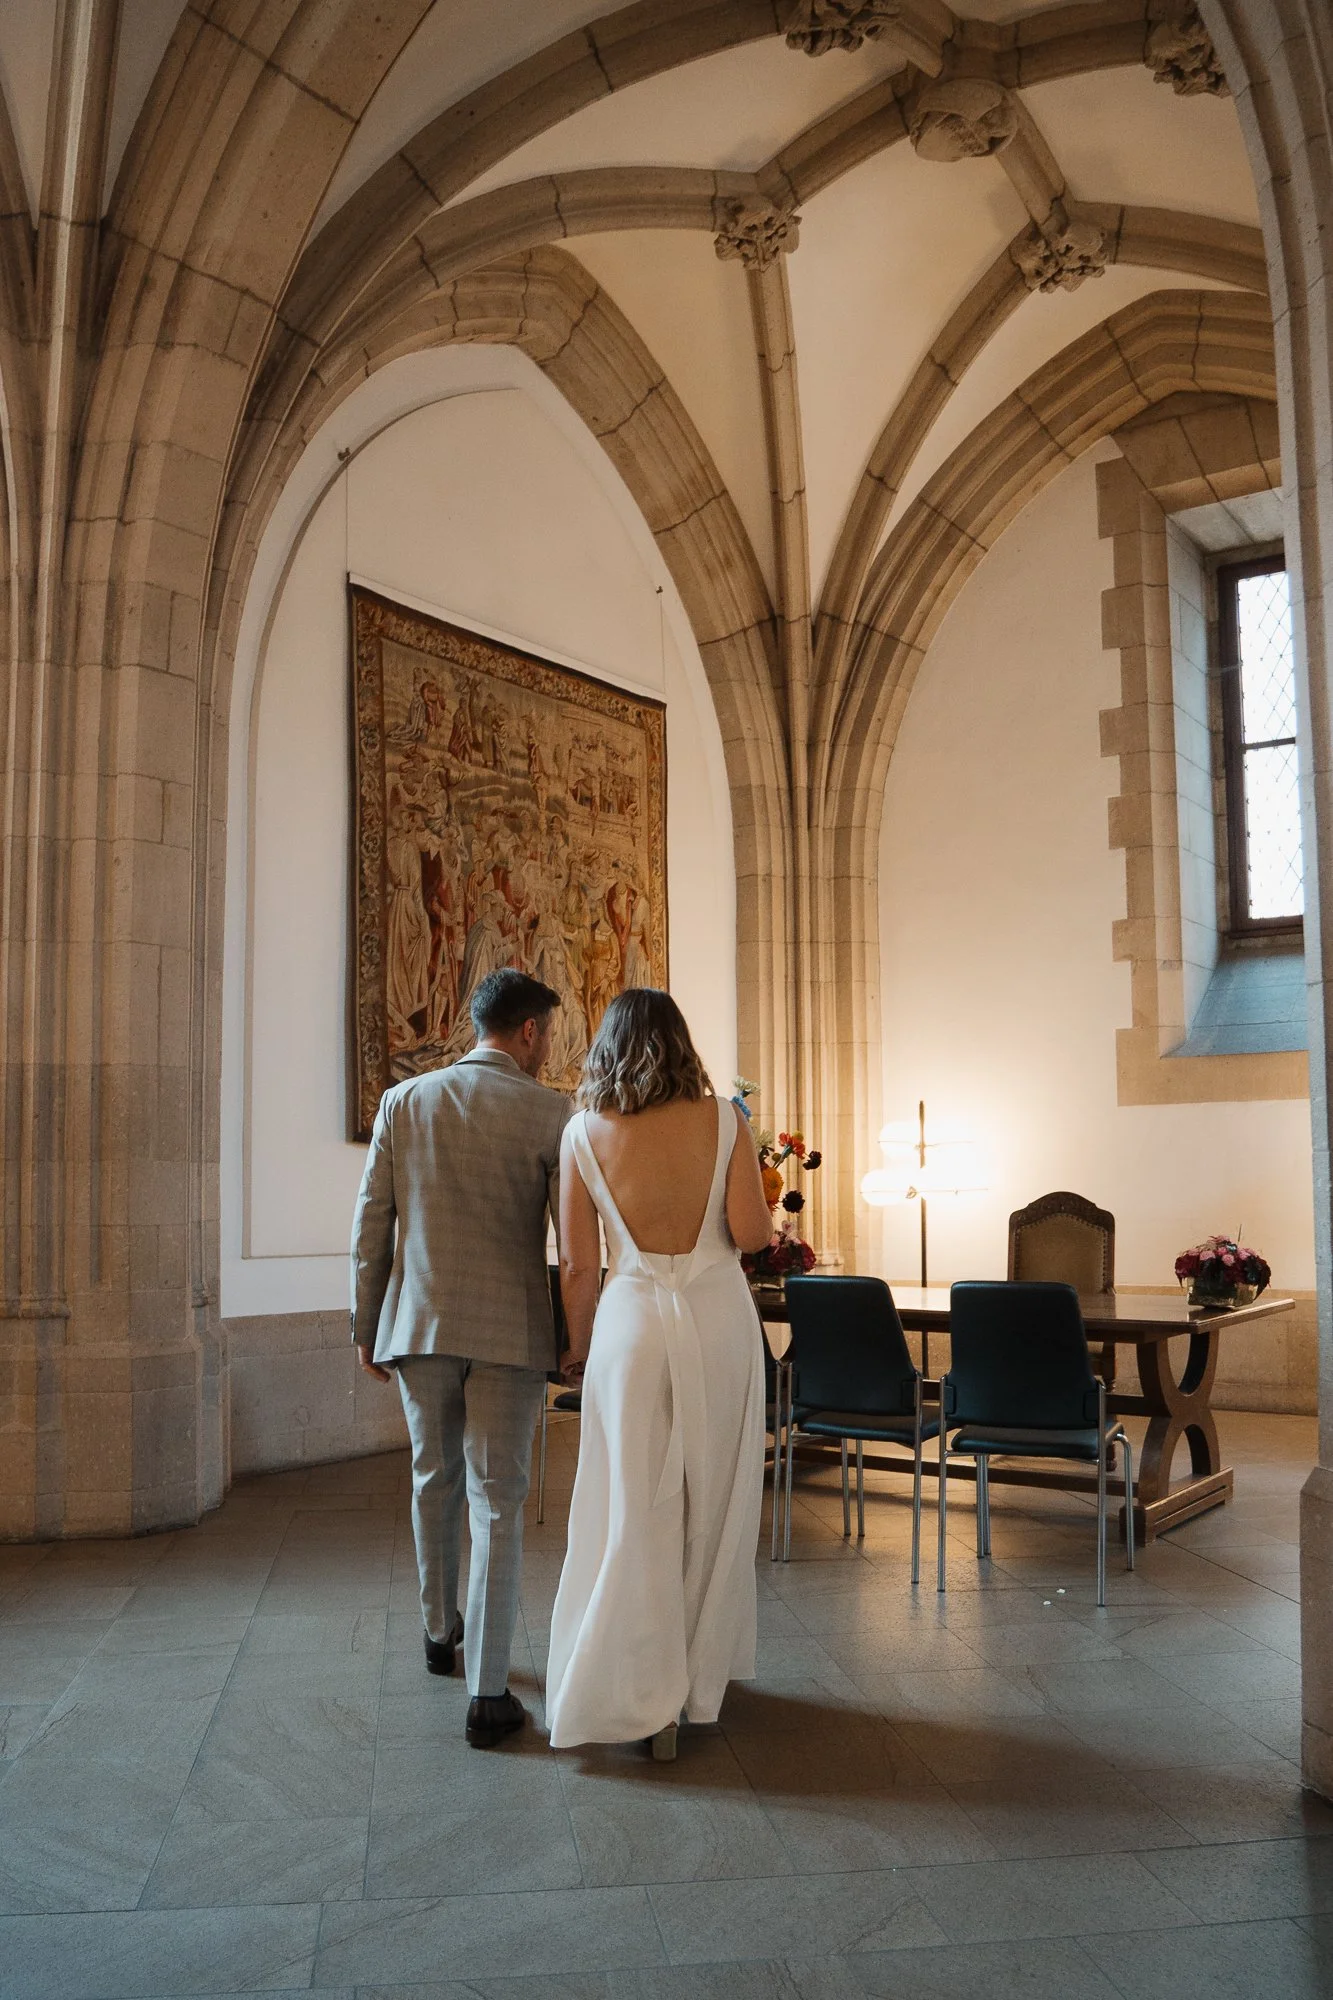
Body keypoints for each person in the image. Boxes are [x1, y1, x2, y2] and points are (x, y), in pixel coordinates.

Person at [545, 988, 774, 1760]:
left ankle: (638, 1692)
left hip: (630, 1325)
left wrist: (577, 1351)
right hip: (716, 1318)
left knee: (628, 1506)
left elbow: (579, 1264)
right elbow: (751, 1233)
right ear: (680, 1042)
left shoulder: (582, 1134)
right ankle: (698, 1684)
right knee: (715, 1499)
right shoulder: (724, 1120)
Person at [350, 967, 570, 1749]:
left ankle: (438, 1634)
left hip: (419, 1327)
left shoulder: (404, 1102)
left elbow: (372, 1223)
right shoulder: (552, 1112)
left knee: (431, 1481)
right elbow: (570, 1244)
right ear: (530, 1032)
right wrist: (570, 1338)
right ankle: (487, 1691)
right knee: (497, 1503)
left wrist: (366, 1324)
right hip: (510, 1334)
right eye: (549, 1034)